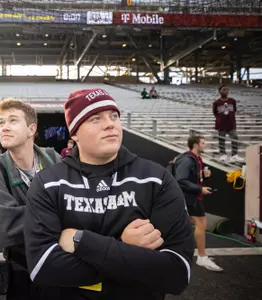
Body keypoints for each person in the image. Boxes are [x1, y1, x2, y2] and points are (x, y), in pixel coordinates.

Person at [24, 88, 194, 300]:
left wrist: (82, 241)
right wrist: (127, 250)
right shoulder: (48, 183)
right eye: (95, 118)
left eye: (114, 116)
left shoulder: (155, 179)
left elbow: (177, 274)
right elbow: (44, 268)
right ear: (74, 133)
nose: (110, 124)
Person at [0, 98, 61, 300]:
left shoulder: (54, 159)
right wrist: (60, 217)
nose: (4, 127)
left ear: (31, 129)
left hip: (61, 265)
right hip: (22, 270)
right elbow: (7, 227)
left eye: (13, 121)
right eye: (1, 123)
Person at [175, 135, 223, 272]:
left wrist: (204, 174)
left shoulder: (197, 159)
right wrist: (200, 189)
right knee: (201, 223)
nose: (204, 145)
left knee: (187, 224)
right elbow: (181, 180)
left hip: (192, 196)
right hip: (190, 197)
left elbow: (192, 176)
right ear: (195, 145)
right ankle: (202, 257)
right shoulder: (187, 159)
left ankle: (186, 253)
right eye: (202, 143)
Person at [213, 85, 244, 163]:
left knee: (235, 137)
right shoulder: (216, 102)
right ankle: (223, 154)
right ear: (220, 91)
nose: (226, 91)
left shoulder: (232, 101)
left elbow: (234, 110)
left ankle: (234, 155)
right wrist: (220, 118)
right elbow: (215, 113)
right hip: (221, 124)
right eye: (224, 89)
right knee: (221, 139)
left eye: (227, 89)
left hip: (231, 123)